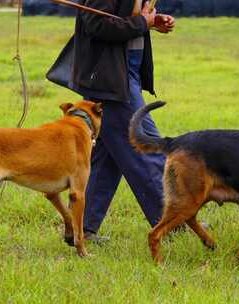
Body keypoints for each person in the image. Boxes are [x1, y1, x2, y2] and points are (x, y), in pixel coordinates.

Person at [47, 0, 177, 241]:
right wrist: (141, 22)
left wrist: (151, 22)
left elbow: (122, 18)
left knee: (105, 161)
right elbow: (96, 24)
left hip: (126, 73)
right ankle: (175, 220)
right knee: (147, 147)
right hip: (112, 81)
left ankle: (81, 228)